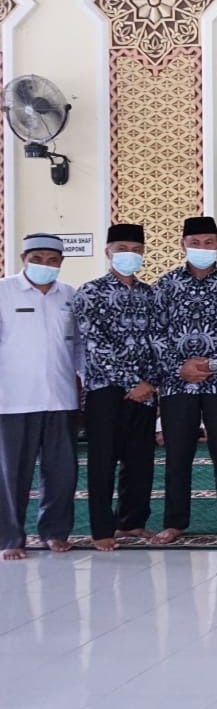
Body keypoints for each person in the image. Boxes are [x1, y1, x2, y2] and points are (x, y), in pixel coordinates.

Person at [153, 216, 217, 542]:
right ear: (183, 245)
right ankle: (175, 522)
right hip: (177, 383)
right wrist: (179, 367)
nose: (203, 248)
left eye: (209, 242)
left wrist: (213, 363)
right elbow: (156, 333)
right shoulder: (166, 284)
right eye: (196, 243)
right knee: (178, 454)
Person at [74, 223, 162, 551]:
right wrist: (131, 382)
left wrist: (151, 383)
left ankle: (132, 522)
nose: (130, 255)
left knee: (139, 459)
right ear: (108, 252)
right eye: (123, 249)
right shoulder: (90, 292)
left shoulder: (149, 294)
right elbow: (94, 343)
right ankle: (102, 529)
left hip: (145, 391)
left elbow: (159, 342)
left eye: (136, 250)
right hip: (106, 390)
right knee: (103, 460)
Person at [0, 234, 81, 558]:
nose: (45, 265)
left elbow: (78, 347)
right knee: (11, 475)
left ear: (61, 262)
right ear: (23, 258)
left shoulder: (69, 296)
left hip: (61, 398)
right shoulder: (4, 292)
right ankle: (10, 538)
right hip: (14, 399)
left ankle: (55, 532)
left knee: (62, 471)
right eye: (38, 258)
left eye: (52, 260)